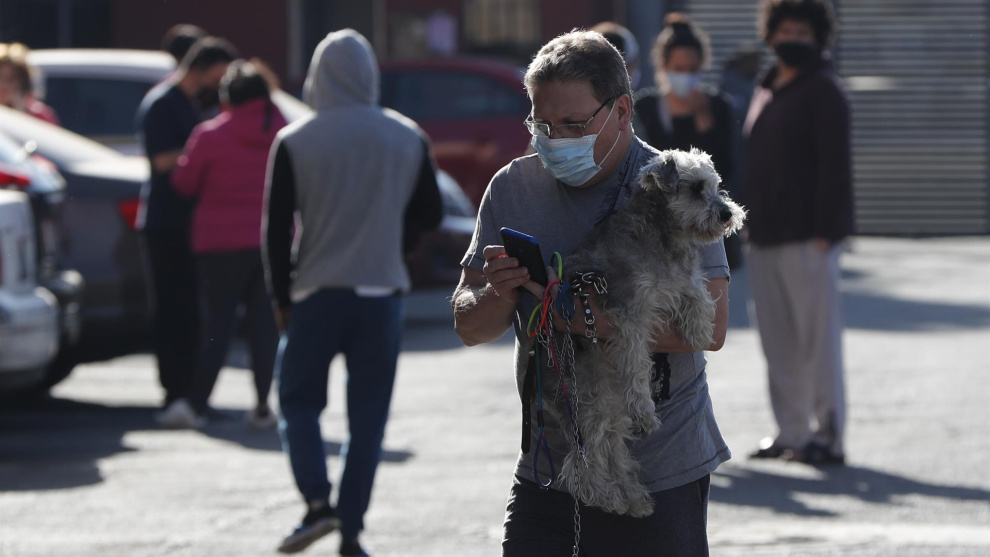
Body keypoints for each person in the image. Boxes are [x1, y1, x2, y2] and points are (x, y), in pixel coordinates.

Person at [451, 30, 731, 556]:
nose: (556, 139)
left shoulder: (676, 184)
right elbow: (469, 327)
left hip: (662, 469)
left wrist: (585, 318)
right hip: (548, 464)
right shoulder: (512, 188)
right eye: (542, 124)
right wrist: (500, 293)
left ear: (621, 111)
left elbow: (710, 330)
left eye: (574, 125)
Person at [263, 29, 442, 556]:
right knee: (368, 420)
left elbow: (275, 230)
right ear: (370, 75)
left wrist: (279, 297)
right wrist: (394, 241)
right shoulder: (407, 135)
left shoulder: (295, 139)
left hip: (316, 290)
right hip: (381, 290)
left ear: (317, 77)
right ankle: (352, 530)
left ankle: (317, 501)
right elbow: (430, 212)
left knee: (297, 401)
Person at [743, 0, 853, 465]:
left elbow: (835, 168)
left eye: (803, 33)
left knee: (817, 343)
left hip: (809, 238)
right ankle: (791, 432)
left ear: (819, 39)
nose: (793, 39)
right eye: (786, 30)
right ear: (770, 34)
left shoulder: (824, 91)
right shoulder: (766, 86)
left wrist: (827, 233)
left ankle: (828, 437)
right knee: (778, 342)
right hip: (764, 236)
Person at [157, 60, 287, 429]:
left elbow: (183, 184)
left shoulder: (210, 134)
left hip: (219, 244)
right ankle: (262, 406)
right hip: (271, 241)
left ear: (227, 98)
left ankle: (196, 404)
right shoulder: (284, 133)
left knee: (217, 325)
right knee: (265, 328)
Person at [137, 37, 237, 421]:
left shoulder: (193, 103)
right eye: (217, 76)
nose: (219, 85)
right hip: (165, 223)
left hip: (190, 222)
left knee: (193, 312)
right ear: (199, 70)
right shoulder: (163, 103)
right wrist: (202, 153)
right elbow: (160, 160)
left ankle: (193, 394)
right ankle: (173, 392)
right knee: (171, 310)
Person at [634, 13, 742, 269]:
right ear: (663, 66)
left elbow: (727, 170)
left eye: (692, 69)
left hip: (711, 232)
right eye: (679, 69)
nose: (686, 76)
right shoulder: (644, 108)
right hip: (659, 239)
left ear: (702, 66)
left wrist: (705, 121)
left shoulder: (719, 107)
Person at [0, 42, 59, 125]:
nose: (3, 84)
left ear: (22, 81)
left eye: (11, 79)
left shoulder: (40, 115)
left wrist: (19, 111)